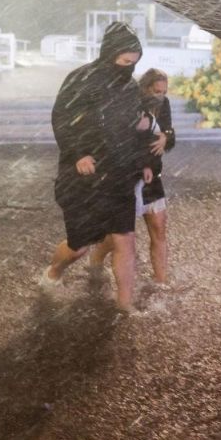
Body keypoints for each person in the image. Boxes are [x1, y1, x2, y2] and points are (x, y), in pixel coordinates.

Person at [42, 22, 153, 313]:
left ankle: (125, 306)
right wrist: (78, 154)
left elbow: (135, 128)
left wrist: (145, 150)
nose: (129, 68)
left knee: (125, 239)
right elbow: (61, 119)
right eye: (125, 62)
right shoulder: (81, 79)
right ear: (110, 55)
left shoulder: (130, 87)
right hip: (83, 178)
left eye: (134, 63)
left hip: (119, 175)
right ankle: (53, 272)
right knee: (79, 246)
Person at [89, 68, 175, 285]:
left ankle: (161, 282)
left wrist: (166, 137)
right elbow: (123, 144)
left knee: (159, 227)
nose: (161, 96)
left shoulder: (163, 105)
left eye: (164, 92)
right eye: (156, 91)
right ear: (145, 88)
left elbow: (169, 133)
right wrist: (141, 164)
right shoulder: (130, 105)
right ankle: (96, 258)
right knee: (121, 233)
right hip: (128, 175)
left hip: (153, 175)